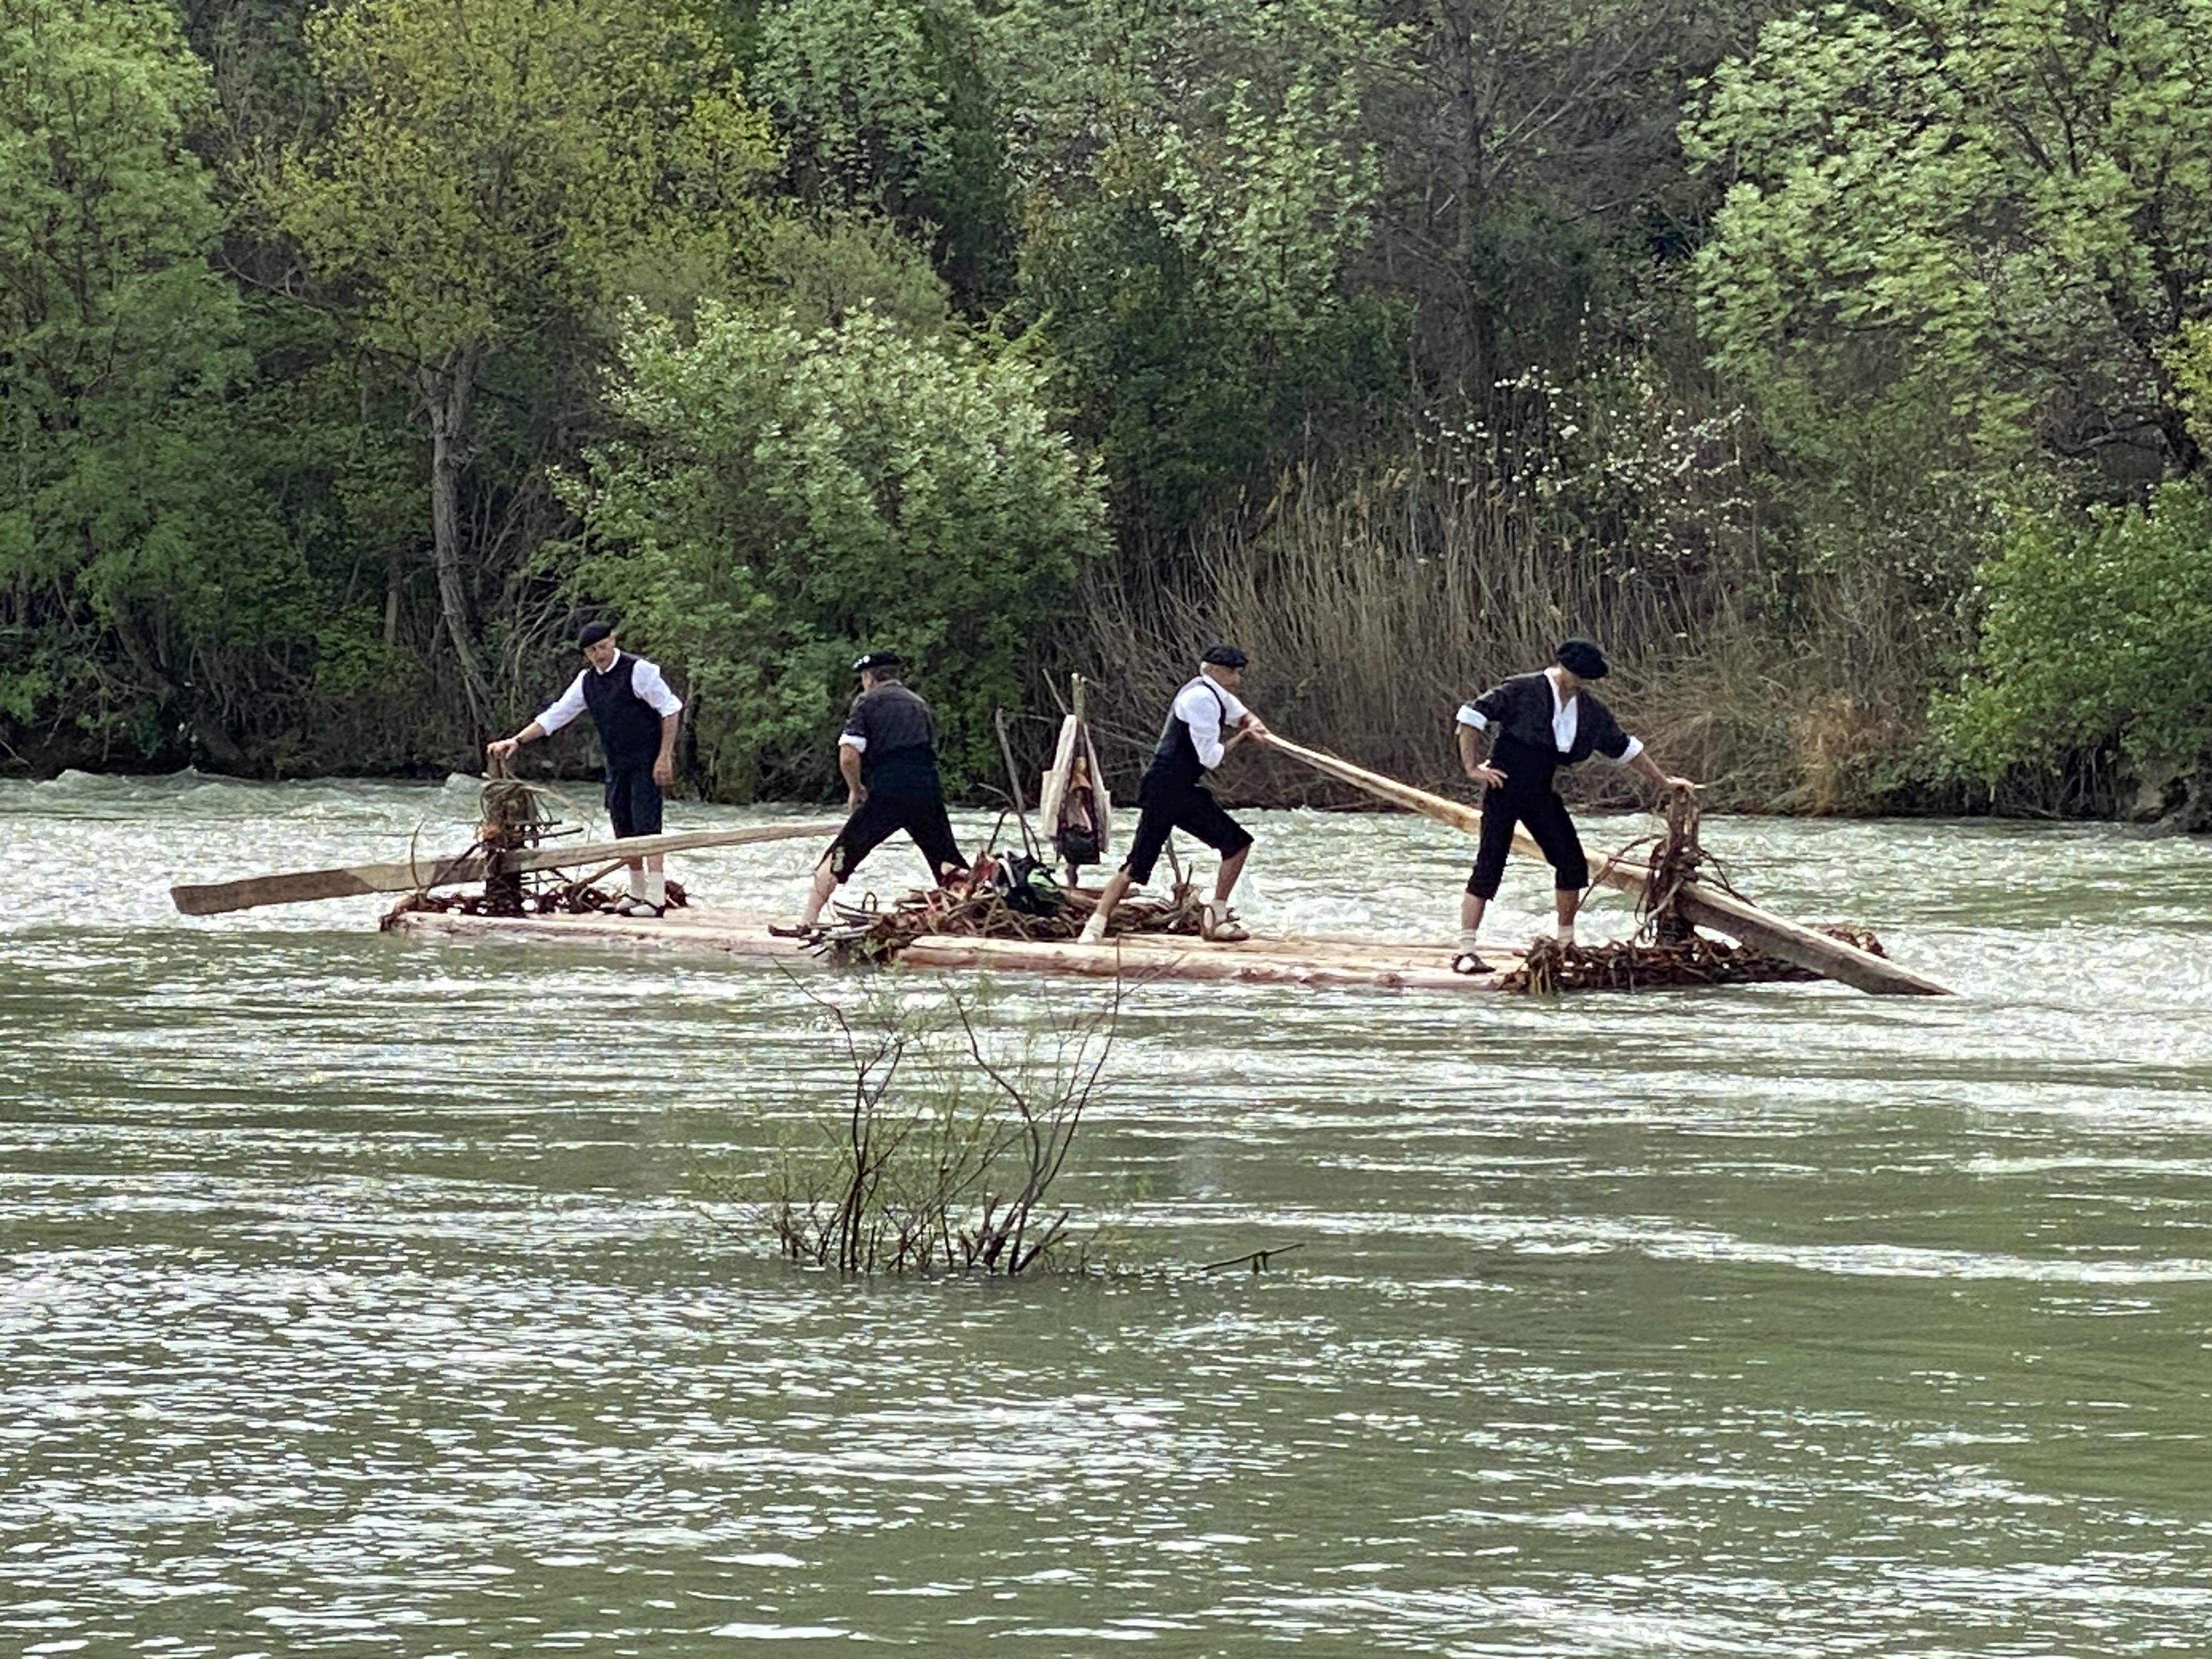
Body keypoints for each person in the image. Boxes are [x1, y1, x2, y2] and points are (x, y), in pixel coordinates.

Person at [1451, 637, 1695, 973]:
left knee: (1572, 863)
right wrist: (1472, 768)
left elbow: (1626, 748)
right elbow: (1471, 715)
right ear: (1563, 668)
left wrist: (1664, 782)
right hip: (1504, 785)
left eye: (1586, 679)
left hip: (1540, 790)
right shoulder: (1523, 689)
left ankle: (1566, 942)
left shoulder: (1589, 710)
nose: (1581, 683)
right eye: (1577, 676)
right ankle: (1466, 950)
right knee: (1490, 864)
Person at [487, 621, 683, 917]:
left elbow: (670, 709)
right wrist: (517, 740)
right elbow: (557, 715)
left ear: (613, 641)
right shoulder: (586, 682)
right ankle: (637, 891)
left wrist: (664, 756)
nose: (599, 654)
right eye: (592, 651)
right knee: (623, 825)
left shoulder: (640, 671)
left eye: (603, 647)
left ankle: (655, 898)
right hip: (617, 762)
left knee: (648, 824)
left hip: (646, 758)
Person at [1080, 644, 1269, 945]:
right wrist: (1244, 737)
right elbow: (1211, 758)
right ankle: (1095, 925)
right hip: (1165, 788)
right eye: (1232, 671)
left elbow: (1243, 714)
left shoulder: (1217, 694)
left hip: (1184, 788)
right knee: (1138, 864)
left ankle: (1216, 918)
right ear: (1213, 671)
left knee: (1237, 844)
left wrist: (1255, 726)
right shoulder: (1199, 700)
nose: (1237, 678)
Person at [795, 651, 969, 928]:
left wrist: (856, 789)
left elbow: (849, 755)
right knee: (946, 859)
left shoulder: (867, 704)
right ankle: (970, 915)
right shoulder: (919, 704)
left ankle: (807, 921)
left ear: (869, 677)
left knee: (843, 852)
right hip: (926, 788)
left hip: (887, 790)